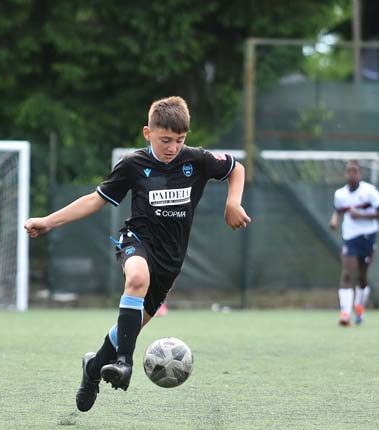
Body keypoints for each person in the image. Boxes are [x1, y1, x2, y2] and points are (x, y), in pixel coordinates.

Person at [24, 96, 250, 412]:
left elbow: (236, 168)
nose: (173, 147)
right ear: (148, 133)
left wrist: (233, 202)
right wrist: (48, 221)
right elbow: (94, 200)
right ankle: (124, 363)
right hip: (136, 241)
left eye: (179, 140)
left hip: (170, 261)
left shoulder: (196, 160)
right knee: (138, 278)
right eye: (165, 140)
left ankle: (93, 369)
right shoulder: (133, 164)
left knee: (127, 330)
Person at [329, 160, 379, 326]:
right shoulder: (340, 194)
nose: (351, 175)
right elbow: (338, 211)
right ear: (345, 174)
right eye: (349, 171)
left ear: (360, 174)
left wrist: (361, 215)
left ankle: (359, 307)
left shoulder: (370, 192)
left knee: (362, 277)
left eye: (355, 171)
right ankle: (345, 314)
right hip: (350, 236)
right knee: (347, 273)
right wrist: (334, 221)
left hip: (368, 236)